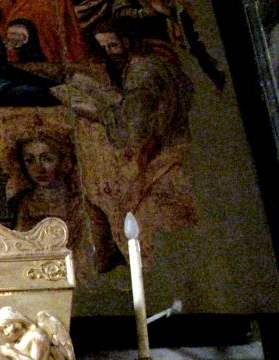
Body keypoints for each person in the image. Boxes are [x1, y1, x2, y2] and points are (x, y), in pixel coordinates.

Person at [70, 22, 197, 260]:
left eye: (113, 45)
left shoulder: (142, 72)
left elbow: (133, 131)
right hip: (162, 141)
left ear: (127, 42)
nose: (109, 53)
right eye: (103, 47)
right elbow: (138, 108)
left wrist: (99, 115)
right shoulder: (150, 62)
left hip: (162, 150)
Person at [10, 130, 123, 279]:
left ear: (64, 161)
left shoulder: (85, 210)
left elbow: (92, 265)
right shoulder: (19, 205)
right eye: (30, 160)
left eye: (47, 159)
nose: (38, 168)